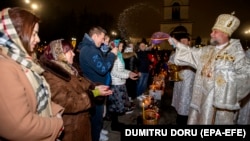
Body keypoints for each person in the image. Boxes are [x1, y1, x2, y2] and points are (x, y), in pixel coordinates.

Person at [168, 12, 250, 124]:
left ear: (225, 33)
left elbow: (246, 78)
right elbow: (191, 53)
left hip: (221, 106)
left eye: (215, 31)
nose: (211, 34)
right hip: (202, 98)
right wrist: (177, 44)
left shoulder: (237, 54)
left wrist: (225, 93)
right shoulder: (207, 50)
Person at [0, 7, 64, 140]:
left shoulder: (24, 62)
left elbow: (36, 97)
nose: (38, 39)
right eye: (34, 34)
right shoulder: (4, 68)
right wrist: (55, 124)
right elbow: (20, 126)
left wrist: (56, 111)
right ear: (16, 34)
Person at [39, 39, 113, 141]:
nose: (73, 54)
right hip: (71, 129)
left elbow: (83, 83)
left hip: (80, 124)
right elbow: (69, 102)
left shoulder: (70, 69)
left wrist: (94, 87)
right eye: (70, 51)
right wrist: (94, 93)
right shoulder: (51, 75)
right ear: (60, 53)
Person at [78, 26, 118, 141]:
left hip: (98, 88)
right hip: (95, 90)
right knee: (96, 119)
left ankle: (98, 133)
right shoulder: (89, 50)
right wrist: (112, 54)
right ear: (94, 36)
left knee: (99, 117)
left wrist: (106, 51)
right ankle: (95, 136)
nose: (102, 41)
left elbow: (101, 61)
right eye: (102, 38)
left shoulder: (92, 48)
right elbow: (103, 68)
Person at [108, 40, 138, 131]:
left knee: (117, 105)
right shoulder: (113, 56)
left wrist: (130, 72)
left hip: (121, 83)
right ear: (114, 47)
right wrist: (127, 75)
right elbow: (114, 72)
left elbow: (122, 69)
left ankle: (116, 123)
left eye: (122, 46)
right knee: (115, 105)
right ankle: (114, 125)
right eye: (119, 46)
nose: (121, 48)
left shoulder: (119, 55)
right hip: (116, 84)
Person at [168, 31, 196, 125]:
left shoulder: (192, 52)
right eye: (181, 41)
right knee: (179, 98)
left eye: (185, 41)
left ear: (189, 42)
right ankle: (180, 116)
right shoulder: (176, 53)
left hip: (189, 80)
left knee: (186, 100)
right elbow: (171, 61)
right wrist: (170, 65)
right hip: (178, 80)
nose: (183, 42)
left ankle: (184, 120)